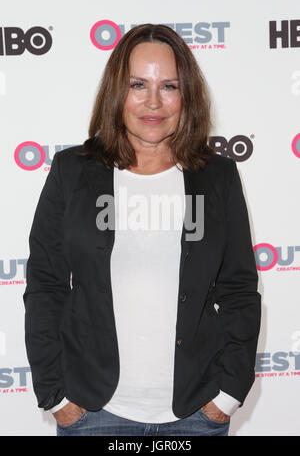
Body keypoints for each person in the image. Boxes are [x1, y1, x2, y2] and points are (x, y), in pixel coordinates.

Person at [23, 24, 261, 437]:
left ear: (187, 94)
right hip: (93, 412)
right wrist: (56, 396)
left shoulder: (216, 177)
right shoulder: (73, 172)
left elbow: (239, 289)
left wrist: (226, 397)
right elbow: (46, 283)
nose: (153, 102)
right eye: (138, 84)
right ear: (117, 91)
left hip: (196, 414)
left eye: (169, 85)